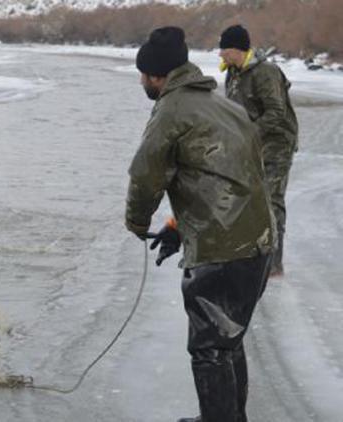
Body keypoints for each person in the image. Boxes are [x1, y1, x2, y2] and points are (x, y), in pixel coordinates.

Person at [125, 26, 275, 422]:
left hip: (223, 250)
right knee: (229, 339)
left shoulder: (172, 110)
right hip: (258, 242)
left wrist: (137, 222)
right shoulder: (221, 103)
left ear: (157, 76)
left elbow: (145, 175)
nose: (142, 81)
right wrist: (178, 225)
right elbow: (224, 176)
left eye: (144, 74)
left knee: (210, 348)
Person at [219, 24, 298, 277]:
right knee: (245, 199)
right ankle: (249, 255)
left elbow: (277, 113)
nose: (221, 54)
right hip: (249, 145)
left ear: (238, 49)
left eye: (225, 49)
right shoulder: (232, 72)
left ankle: (274, 264)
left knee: (271, 202)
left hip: (276, 145)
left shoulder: (266, 72)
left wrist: (248, 133)